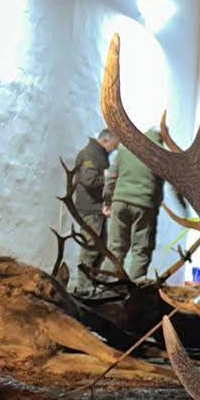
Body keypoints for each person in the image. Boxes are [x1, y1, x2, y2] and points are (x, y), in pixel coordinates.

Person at [104, 125, 164, 281]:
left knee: (115, 248)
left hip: (120, 202)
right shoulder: (161, 152)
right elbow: (164, 183)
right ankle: (134, 290)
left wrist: (108, 201)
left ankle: (105, 288)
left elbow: (111, 178)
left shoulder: (126, 147)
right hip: (145, 205)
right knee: (141, 251)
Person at [68, 127, 117, 297]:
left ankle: (91, 283)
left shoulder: (99, 154)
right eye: (114, 145)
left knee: (100, 248)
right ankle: (84, 287)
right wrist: (109, 176)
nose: (114, 149)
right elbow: (88, 180)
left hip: (98, 209)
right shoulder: (89, 154)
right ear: (105, 140)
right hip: (90, 210)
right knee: (90, 248)